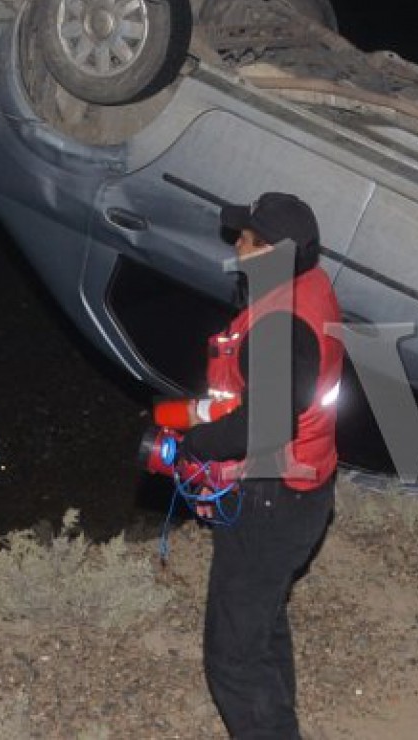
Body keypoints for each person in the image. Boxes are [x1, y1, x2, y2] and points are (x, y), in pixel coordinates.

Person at [164, 192, 343, 739]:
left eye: (244, 238)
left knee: (234, 656)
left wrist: (195, 445)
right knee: (262, 621)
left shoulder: (278, 325)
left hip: (274, 499)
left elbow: (266, 425)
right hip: (306, 487)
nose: (235, 245)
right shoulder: (310, 287)